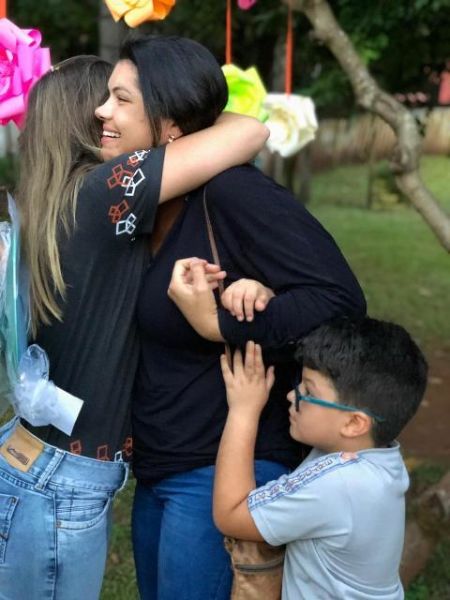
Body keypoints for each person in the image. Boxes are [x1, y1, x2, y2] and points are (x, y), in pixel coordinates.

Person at [0, 49, 268, 599]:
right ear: (89, 119)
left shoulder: (49, 200)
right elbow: (250, 131)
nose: (110, 111)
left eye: (122, 101)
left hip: (33, 457)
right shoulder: (105, 191)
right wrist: (174, 112)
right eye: (107, 100)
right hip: (61, 482)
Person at [119, 36, 367, 599]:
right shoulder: (142, 206)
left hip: (224, 468)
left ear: (170, 123)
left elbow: (338, 299)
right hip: (161, 468)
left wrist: (221, 325)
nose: (102, 112)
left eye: (121, 99)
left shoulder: (232, 193)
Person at [211, 318, 428, 600]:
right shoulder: (382, 460)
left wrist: (243, 411)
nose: (292, 395)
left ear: (354, 423)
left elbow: (230, 515)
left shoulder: (340, 483)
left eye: (309, 392)